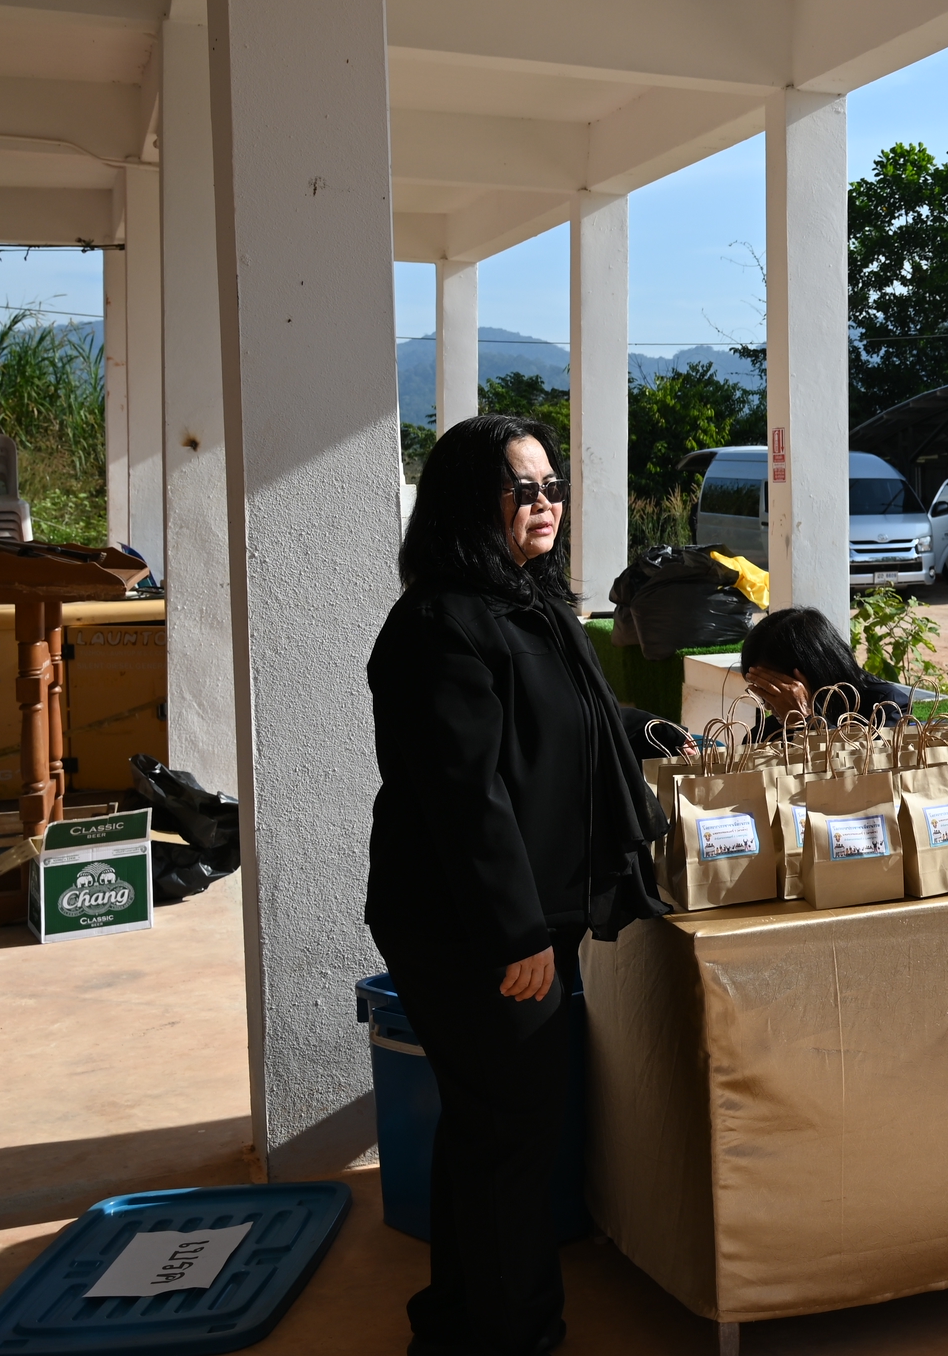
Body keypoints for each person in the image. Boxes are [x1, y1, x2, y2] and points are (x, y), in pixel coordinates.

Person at [366, 414, 670, 1356]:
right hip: (475, 928)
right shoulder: (440, 623)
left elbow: (573, 713)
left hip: (520, 916)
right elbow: (466, 798)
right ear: (469, 501)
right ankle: (518, 1336)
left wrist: (653, 733)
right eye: (522, 488)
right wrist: (518, 934)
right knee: (514, 1141)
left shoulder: (528, 601)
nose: (545, 503)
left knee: (488, 1130)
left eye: (552, 486)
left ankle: (459, 1325)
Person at [739, 605, 911, 728]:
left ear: (812, 673)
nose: (768, 706)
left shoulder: (886, 706)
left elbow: (865, 764)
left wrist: (806, 722)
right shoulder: (769, 731)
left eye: (773, 689)